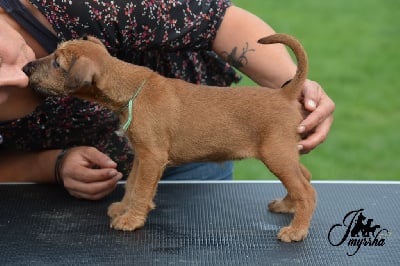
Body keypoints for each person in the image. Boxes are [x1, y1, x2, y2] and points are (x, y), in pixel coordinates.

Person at [0, 0, 335, 200]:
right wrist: (54, 165)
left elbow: (218, 22)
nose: (18, 77)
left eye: (1, 59)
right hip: (56, 199)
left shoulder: (75, 6)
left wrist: (291, 86)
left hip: (194, 140)